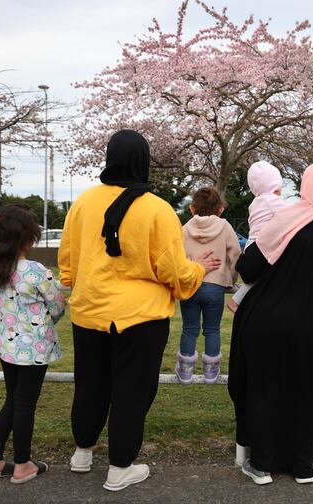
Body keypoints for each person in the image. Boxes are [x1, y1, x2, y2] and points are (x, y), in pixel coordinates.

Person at [58, 129, 220, 492]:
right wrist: (199, 270)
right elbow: (174, 273)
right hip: (141, 317)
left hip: (89, 311)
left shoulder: (82, 203)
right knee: (132, 391)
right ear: (143, 161)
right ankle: (120, 468)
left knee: (90, 385)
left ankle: (82, 453)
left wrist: (79, 279)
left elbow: (67, 262)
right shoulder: (157, 209)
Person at [228, 162, 313, 485]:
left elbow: (250, 267)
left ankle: (262, 464)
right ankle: (303, 466)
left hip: (272, 320)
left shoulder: (288, 218)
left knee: (265, 389)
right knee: (311, 393)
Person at [0, 203, 66, 484]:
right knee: (25, 404)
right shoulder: (36, 271)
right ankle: (23, 464)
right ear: (28, 238)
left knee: (12, 401)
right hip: (34, 350)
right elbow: (59, 305)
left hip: (6, 347)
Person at [175, 186, 241, 384]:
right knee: (212, 329)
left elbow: (177, 256)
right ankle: (211, 370)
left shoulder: (184, 229)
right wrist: (231, 278)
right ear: (220, 209)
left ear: (192, 208)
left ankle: (186, 369)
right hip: (215, 286)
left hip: (192, 284)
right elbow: (236, 254)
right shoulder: (225, 227)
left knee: (189, 328)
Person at [226, 161, 287, 313]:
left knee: (254, 280)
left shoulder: (256, 202)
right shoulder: (271, 201)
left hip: (252, 243)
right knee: (263, 275)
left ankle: (236, 301)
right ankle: (235, 303)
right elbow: (290, 214)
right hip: (262, 246)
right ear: (273, 185)